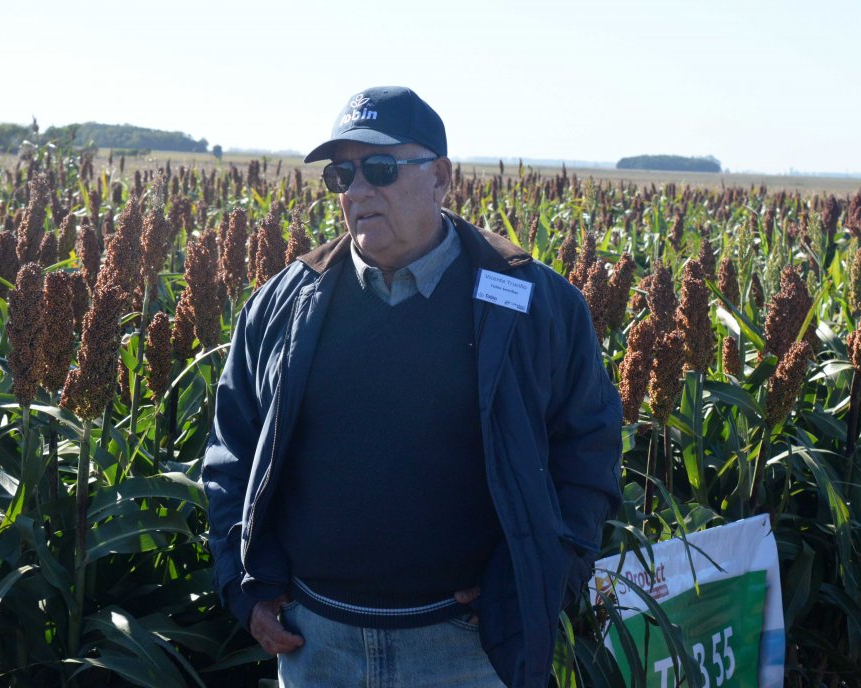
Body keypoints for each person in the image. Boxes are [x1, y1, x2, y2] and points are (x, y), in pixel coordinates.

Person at [202, 86, 622, 687]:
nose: (357, 191)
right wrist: (242, 587)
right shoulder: (286, 303)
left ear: (442, 177)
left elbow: (590, 448)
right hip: (317, 647)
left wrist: (542, 574)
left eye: (380, 169)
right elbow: (230, 453)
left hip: (469, 650)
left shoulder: (531, 302)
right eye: (341, 175)